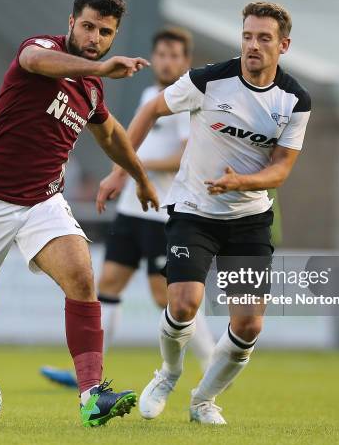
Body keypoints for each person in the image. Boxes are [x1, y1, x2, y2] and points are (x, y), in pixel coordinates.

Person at [0, 0, 159, 428]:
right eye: (89, 26)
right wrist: (98, 67)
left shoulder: (92, 89)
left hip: (42, 200)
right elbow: (35, 63)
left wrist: (142, 179)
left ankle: (92, 397)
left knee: (81, 275)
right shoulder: (42, 50)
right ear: (71, 23)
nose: (95, 37)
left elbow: (111, 136)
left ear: (113, 37)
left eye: (105, 32)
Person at [97, 1, 311, 424]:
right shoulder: (209, 80)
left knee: (249, 326)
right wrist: (121, 173)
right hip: (194, 210)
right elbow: (149, 110)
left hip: (250, 219)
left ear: (283, 45)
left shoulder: (295, 100)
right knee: (183, 303)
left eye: (263, 38)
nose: (253, 45)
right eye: (247, 36)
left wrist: (240, 183)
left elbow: (281, 169)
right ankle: (168, 373)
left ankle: (203, 400)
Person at [41, 28, 215, 390]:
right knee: (107, 286)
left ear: (185, 62)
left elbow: (187, 156)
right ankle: (87, 373)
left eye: (174, 55)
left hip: (162, 213)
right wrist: (125, 174)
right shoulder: (151, 95)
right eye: (162, 54)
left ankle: (212, 362)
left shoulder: (183, 99)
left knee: (164, 296)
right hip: (132, 210)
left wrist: (138, 168)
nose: (167, 61)